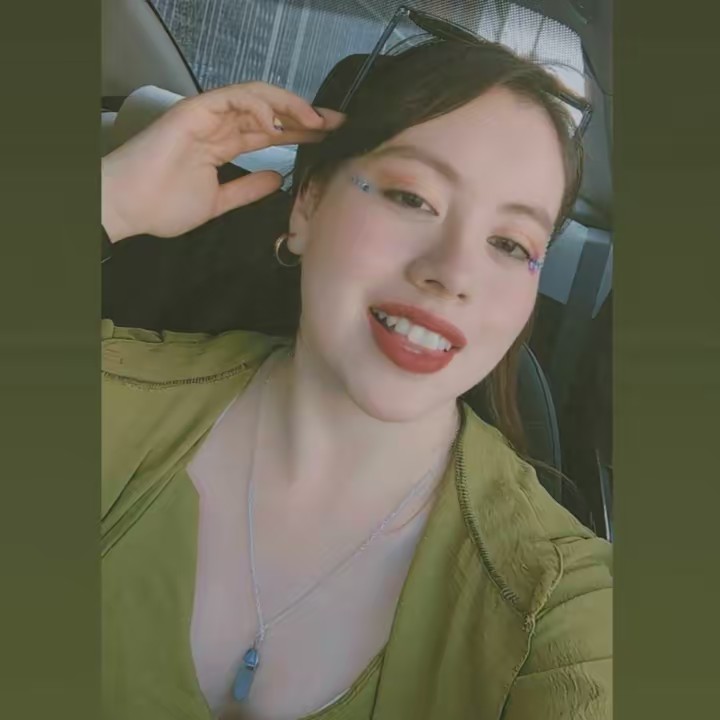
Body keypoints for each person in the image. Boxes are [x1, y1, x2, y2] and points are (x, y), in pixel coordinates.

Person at [101, 39, 612, 720]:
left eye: (509, 244)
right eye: (412, 197)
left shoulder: (559, 598)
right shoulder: (112, 399)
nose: (452, 273)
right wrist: (108, 200)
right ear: (308, 206)